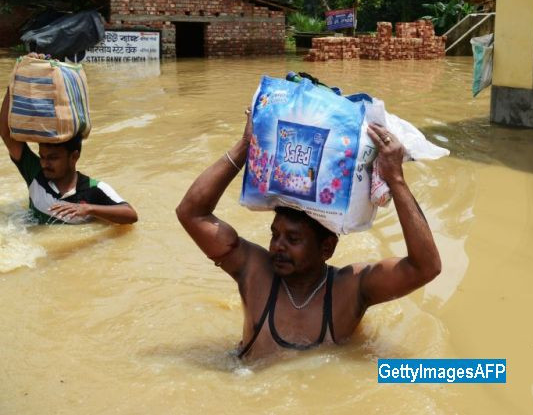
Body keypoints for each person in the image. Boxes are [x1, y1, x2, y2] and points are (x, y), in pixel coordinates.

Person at [176, 108, 441, 360]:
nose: (277, 246)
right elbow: (191, 213)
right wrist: (246, 145)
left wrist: (395, 179)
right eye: (274, 234)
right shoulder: (254, 272)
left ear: (327, 248)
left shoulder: (349, 289)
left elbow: (425, 268)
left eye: (292, 239)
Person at [0, 59, 138, 225]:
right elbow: (6, 134)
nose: (44, 163)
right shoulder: (35, 172)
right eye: (42, 157)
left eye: (53, 158)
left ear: (74, 156)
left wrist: (89, 209)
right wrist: (16, 84)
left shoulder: (93, 189)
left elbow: (131, 215)